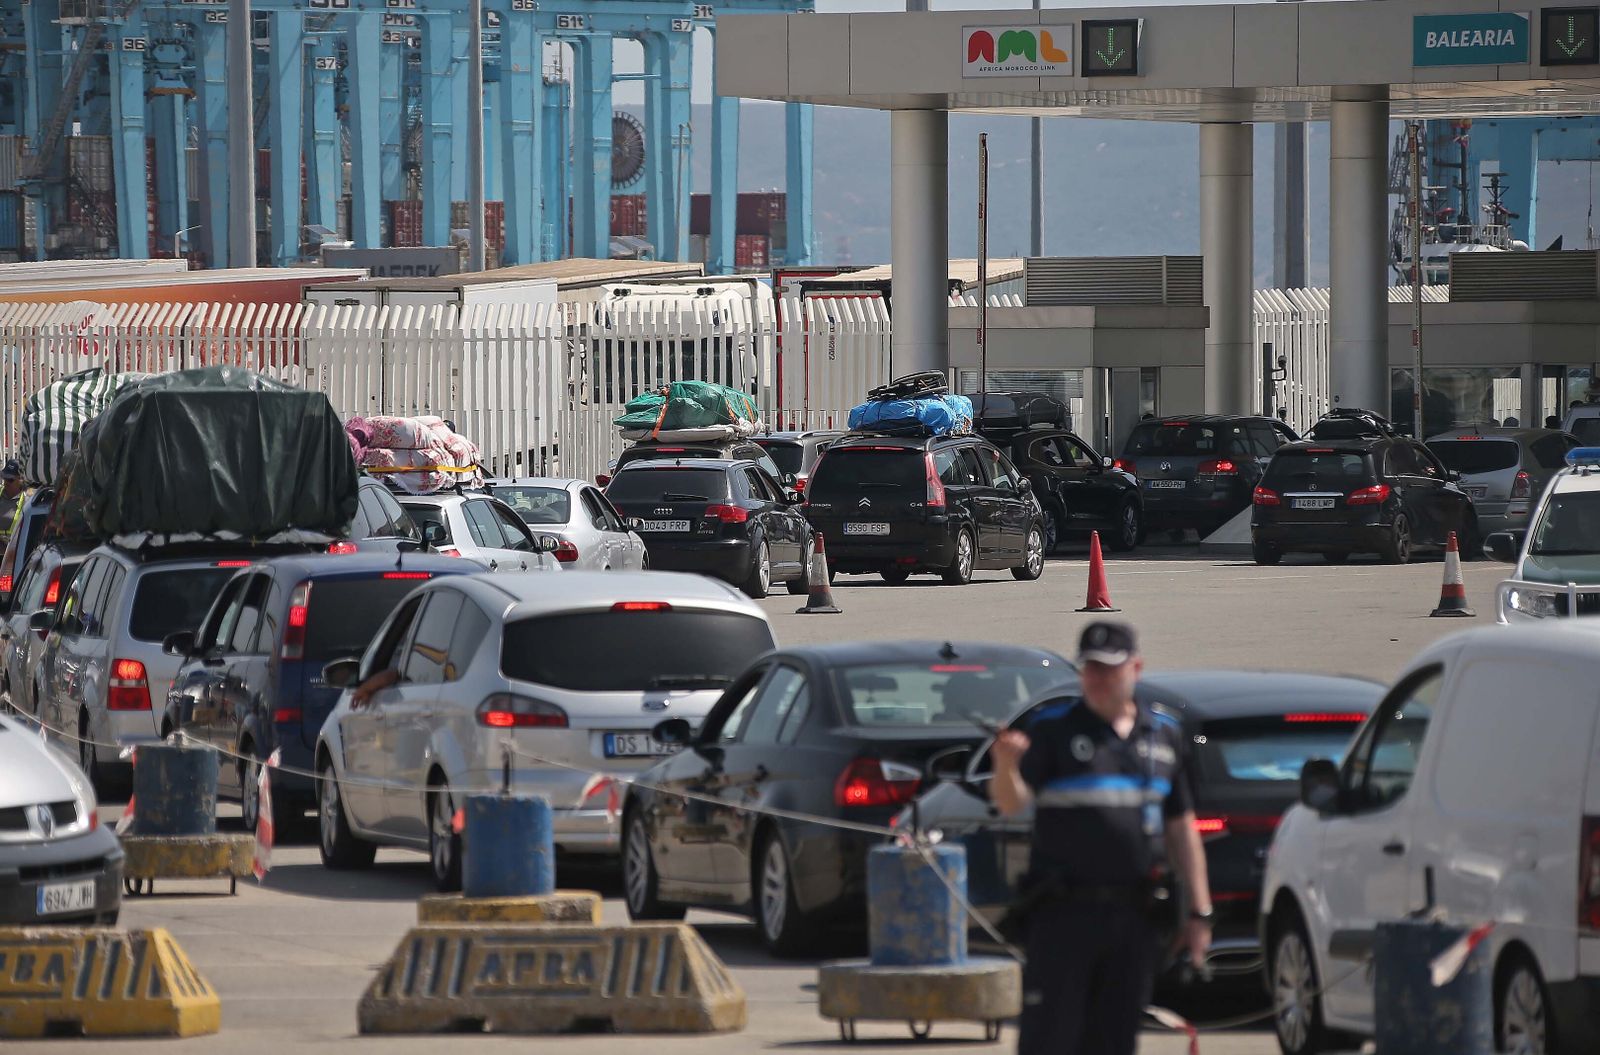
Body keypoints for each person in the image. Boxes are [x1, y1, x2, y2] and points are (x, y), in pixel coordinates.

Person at [991, 621, 1212, 1055]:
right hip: (1062, 917)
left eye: (1108, 669)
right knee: (1050, 1038)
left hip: (1135, 918)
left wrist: (1199, 913)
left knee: (1114, 1040)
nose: (1096, 679)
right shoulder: (1052, 729)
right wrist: (1005, 767)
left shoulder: (1163, 735)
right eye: (1089, 669)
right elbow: (1011, 804)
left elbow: (1181, 829)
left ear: (1136, 669)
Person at [0, 461, 27, 544]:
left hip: (13, 551)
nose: (6, 482)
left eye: (10, 479)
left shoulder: (28, 499)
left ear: (21, 479)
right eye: (4, 477)